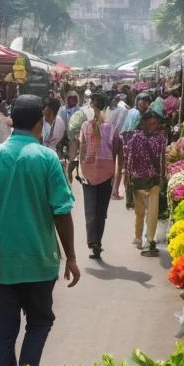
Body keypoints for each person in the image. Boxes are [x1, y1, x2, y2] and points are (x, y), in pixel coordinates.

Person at [0, 95, 80, 366]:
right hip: (40, 260)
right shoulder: (47, 159)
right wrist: (71, 256)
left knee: (5, 335)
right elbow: (62, 211)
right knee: (40, 322)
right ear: (39, 123)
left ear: (10, 122)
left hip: (2, 261)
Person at [76, 93, 122, 260]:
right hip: (106, 173)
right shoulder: (112, 127)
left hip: (88, 172)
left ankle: (93, 241)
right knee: (101, 211)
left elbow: (81, 149)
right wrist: (116, 179)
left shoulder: (85, 126)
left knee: (90, 210)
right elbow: (117, 152)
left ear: (92, 106)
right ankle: (97, 243)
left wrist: (80, 168)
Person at [122, 110, 169, 257]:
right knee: (140, 212)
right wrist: (128, 176)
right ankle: (138, 237)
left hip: (153, 178)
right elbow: (129, 157)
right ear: (143, 123)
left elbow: (163, 157)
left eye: (155, 123)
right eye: (150, 123)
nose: (153, 126)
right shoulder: (135, 138)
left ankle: (149, 240)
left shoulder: (161, 138)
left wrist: (162, 175)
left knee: (153, 211)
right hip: (138, 179)